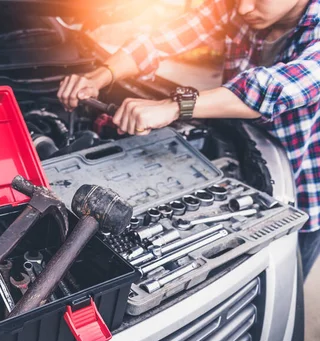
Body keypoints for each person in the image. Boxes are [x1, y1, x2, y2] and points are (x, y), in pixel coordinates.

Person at [58, 0, 320, 279]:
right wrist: (101, 76)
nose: (243, 8)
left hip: (300, 187)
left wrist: (173, 106)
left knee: (280, 278)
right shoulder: (234, 7)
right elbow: (162, 39)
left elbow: (271, 88)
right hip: (235, 162)